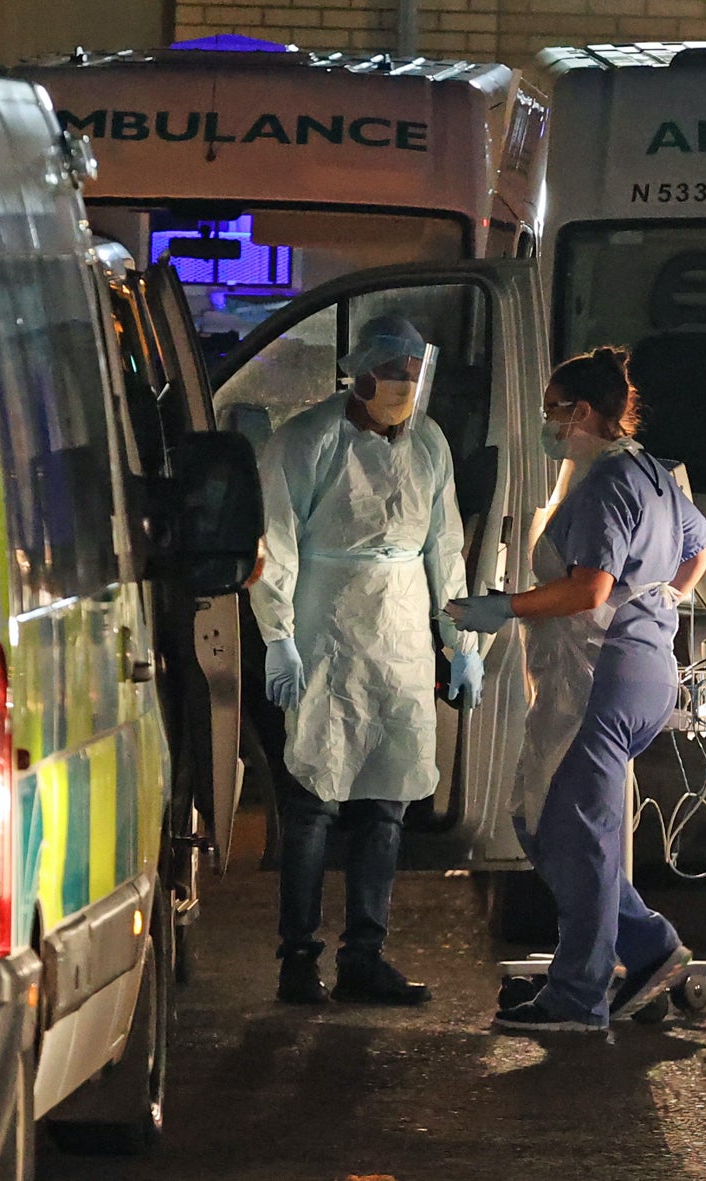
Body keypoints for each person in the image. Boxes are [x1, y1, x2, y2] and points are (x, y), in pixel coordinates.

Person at [448, 345, 706, 1033]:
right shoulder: (652, 473)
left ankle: (579, 996)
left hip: (600, 678)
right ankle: (649, 948)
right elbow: (704, 543)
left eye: (553, 411)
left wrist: (504, 607)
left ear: (586, 413)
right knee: (554, 826)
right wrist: (658, 604)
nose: (547, 424)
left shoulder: (603, 486)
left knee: (571, 834)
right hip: (641, 669)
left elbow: (588, 588)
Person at [252, 313, 483, 1006]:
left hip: (404, 629)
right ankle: (298, 957)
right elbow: (277, 540)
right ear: (361, 370)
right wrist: (279, 633)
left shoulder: (429, 443)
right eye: (395, 371)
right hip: (327, 624)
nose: (406, 384)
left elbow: (445, 546)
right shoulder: (309, 440)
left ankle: (365, 953)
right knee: (313, 797)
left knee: (388, 797)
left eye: (415, 372)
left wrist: (459, 642)